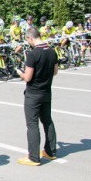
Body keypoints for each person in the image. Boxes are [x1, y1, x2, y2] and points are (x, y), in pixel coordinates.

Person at [15, 27, 58, 166]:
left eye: (28, 40)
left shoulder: (33, 54)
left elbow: (28, 77)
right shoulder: (52, 51)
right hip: (46, 91)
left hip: (33, 94)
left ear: (30, 38)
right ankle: (50, 151)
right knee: (47, 121)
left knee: (32, 125)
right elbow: (55, 71)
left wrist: (20, 73)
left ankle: (33, 157)